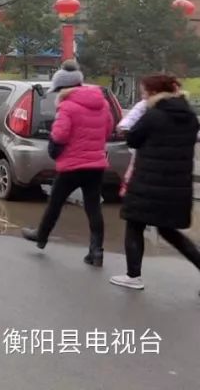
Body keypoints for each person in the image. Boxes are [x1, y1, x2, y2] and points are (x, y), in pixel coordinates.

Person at [111, 74, 200, 291]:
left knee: (134, 223)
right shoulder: (190, 117)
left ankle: (133, 276)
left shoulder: (153, 115)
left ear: (152, 93)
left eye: (143, 92)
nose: (142, 96)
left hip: (148, 182)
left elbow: (133, 139)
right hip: (177, 185)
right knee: (168, 230)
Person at [22, 60, 113, 267]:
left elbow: (60, 134)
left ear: (63, 87)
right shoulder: (103, 103)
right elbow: (108, 130)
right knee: (93, 207)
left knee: (55, 202)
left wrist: (54, 147)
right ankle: (96, 251)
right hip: (96, 163)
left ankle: (41, 236)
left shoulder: (67, 106)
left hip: (72, 164)